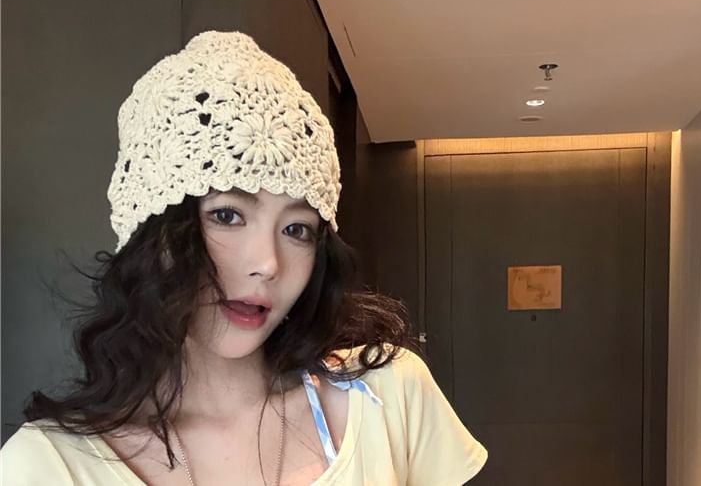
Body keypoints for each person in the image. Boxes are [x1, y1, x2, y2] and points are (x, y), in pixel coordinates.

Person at [0, 31, 488, 485]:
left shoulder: (387, 397)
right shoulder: (49, 465)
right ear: (153, 230)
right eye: (227, 215)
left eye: (297, 229)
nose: (268, 264)